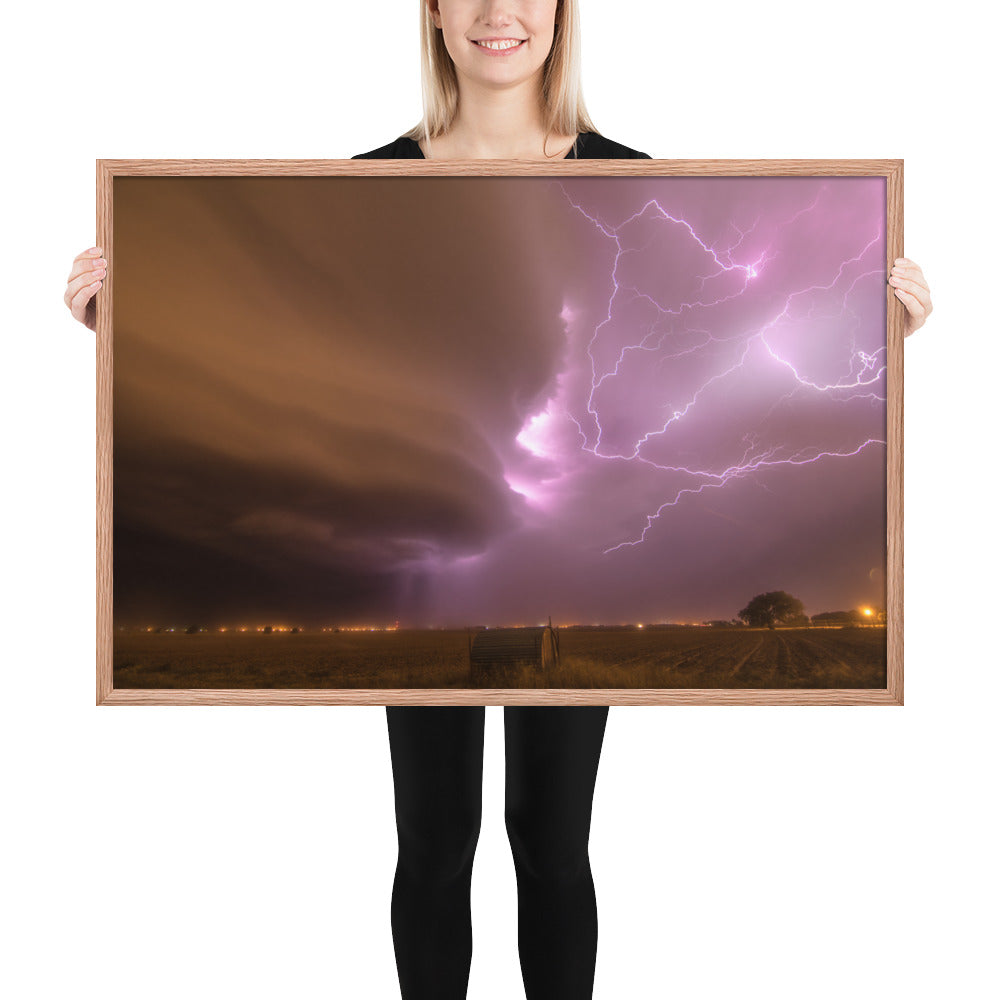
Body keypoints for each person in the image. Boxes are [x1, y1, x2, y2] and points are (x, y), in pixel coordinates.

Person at [63, 2, 934, 998]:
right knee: (434, 843)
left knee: (552, 842)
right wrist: (121, 328)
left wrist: (879, 340)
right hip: (413, 580)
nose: (496, 12)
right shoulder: (364, 190)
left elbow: (742, 360)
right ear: (430, 14)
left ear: (563, 15)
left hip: (580, 575)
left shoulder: (631, 179)